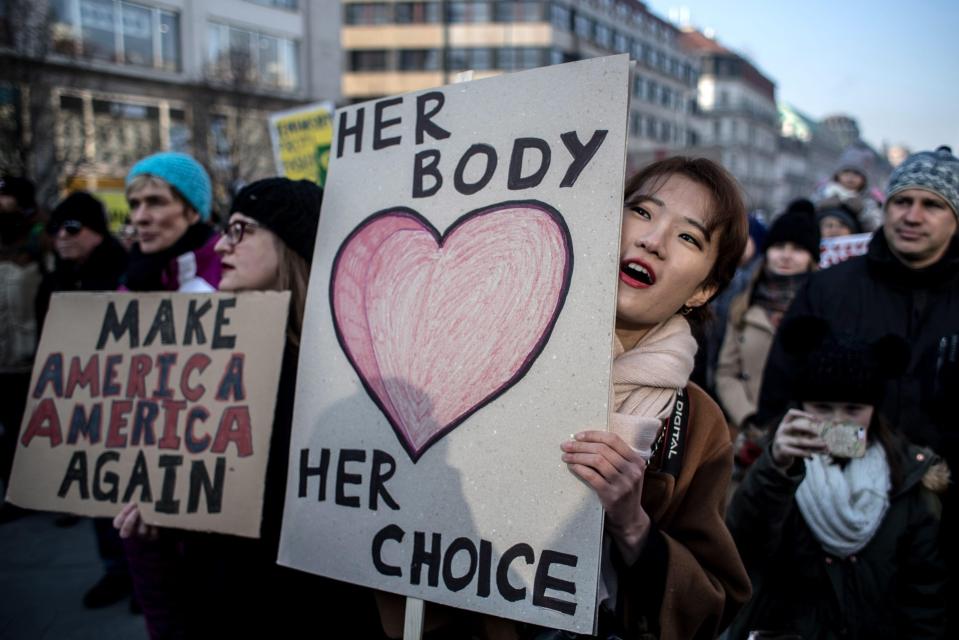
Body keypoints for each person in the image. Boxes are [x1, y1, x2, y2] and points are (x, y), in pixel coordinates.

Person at [375, 157, 752, 639]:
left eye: (687, 237)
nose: (652, 241)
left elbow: (713, 603)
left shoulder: (699, 423)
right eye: (641, 212)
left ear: (703, 289)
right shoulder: (486, 347)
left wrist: (632, 525)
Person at [114, 178, 386, 639]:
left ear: (291, 242)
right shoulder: (208, 360)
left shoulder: (357, 369)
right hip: (230, 604)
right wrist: (164, 504)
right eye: (225, 228)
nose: (221, 245)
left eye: (241, 229)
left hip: (331, 609)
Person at [757, 144, 959, 633]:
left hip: (942, 526)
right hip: (828, 515)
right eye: (900, 202)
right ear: (884, 207)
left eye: (931, 204)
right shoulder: (830, 288)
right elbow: (782, 399)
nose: (912, 216)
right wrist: (848, 457)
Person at [727, 316, 947, 639]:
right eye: (821, 406)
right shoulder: (769, 461)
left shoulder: (910, 477)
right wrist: (777, 467)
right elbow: (743, 544)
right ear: (801, 403)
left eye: (853, 408)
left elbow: (925, 596)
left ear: (874, 407)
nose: (837, 420)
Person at [33, 190, 134, 607]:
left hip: (127, 401)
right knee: (96, 490)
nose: (61, 237)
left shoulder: (124, 271)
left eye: (72, 228)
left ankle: (138, 575)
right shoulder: (56, 277)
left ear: (96, 231)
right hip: (83, 400)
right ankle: (115, 570)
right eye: (55, 229)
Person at [715, 200, 819, 467]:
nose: (785, 255)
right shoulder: (743, 303)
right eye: (779, 247)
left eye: (797, 249)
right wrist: (748, 418)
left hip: (807, 436)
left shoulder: (823, 305)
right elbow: (726, 371)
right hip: (750, 435)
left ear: (811, 257)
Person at [0, 175, 46, 520]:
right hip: (5, 355)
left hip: (32, 357)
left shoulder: (42, 239)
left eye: (6, 197)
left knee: (28, 428)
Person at [122, 152, 220, 292]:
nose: (140, 218)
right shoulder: (129, 281)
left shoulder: (230, 279)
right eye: (134, 205)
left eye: (155, 202)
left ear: (193, 212)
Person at [813, 146, 883, 232]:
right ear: (837, 175)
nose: (851, 177)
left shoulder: (867, 199)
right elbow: (809, 213)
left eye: (856, 173)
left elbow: (877, 227)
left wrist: (862, 211)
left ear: (864, 179)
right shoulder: (825, 191)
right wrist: (821, 205)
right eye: (846, 172)